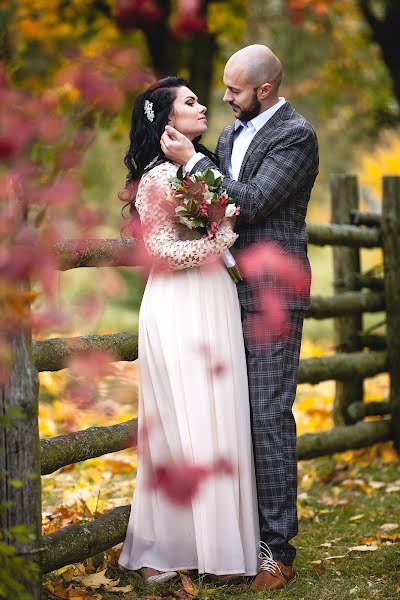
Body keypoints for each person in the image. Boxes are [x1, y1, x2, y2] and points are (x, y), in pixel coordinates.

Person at [160, 45, 319, 591]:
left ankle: (278, 549)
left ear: (265, 90)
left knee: (269, 415)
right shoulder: (229, 135)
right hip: (226, 293)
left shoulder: (296, 136)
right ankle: (234, 535)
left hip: (273, 296)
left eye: (234, 90)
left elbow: (248, 202)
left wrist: (194, 164)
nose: (224, 98)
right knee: (227, 414)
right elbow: (212, 205)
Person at [118, 76, 260, 583]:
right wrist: (221, 235)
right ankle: (181, 547)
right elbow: (163, 252)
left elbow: (218, 219)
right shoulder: (159, 179)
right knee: (190, 421)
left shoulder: (196, 170)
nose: (203, 108)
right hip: (180, 305)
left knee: (218, 418)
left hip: (213, 299)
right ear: (166, 119)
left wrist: (220, 230)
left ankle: (220, 548)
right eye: (191, 102)